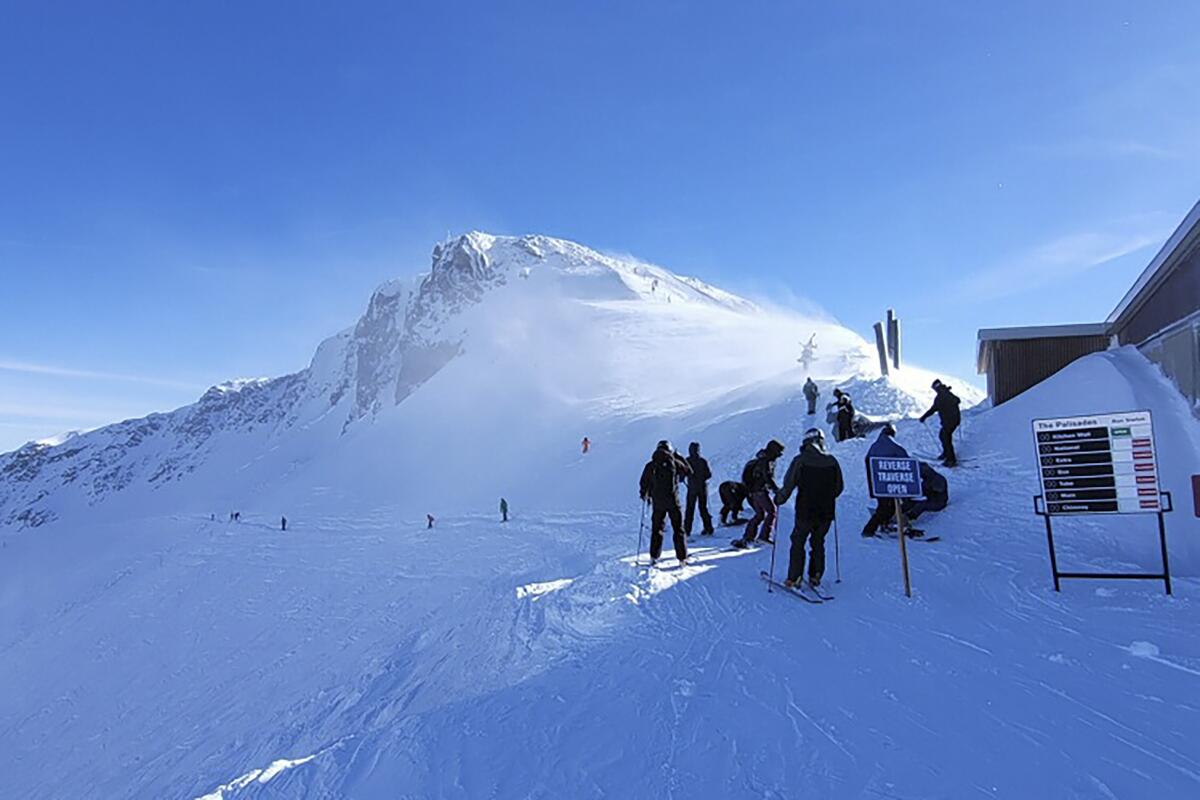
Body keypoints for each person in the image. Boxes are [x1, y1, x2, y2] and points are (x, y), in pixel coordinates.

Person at [776, 428, 843, 592]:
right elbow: (839, 487)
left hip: (805, 510)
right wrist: (826, 496)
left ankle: (794, 577)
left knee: (798, 541)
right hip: (826, 512)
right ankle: (816, 575)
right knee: (818, 542)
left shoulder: (800, 460)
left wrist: (779, 499)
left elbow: (789, 483)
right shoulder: (832, 461)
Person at [638, 440, 692, 565]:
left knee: (657, 529)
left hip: (658, 503)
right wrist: (679, 457)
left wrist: (644, 495)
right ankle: (682, 558)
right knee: (678, 529)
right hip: (673, 501)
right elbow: (689, 471)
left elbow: (643, 483)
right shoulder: (674, 462)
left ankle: (654, 557)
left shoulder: (651, 465)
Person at [732, 440, 785, 548]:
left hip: (753, 491)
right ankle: (764, 536)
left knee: (759, 514)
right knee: (772, 512)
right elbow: (767, 477)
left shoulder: (760, 459)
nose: (778, 456)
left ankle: (748, 537)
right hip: (761, 491)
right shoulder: (767, 461)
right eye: (778, 453)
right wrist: (775, 489)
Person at [861, 423, 910, 537]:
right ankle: (869, 529)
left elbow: (868, 461)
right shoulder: (894, 446)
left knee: (884, 505)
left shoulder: (874, 446)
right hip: (891, 483)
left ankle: (884, 524)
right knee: (887, 508)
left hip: (878, 483)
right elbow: (906, 463)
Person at [920, 379, 962, 467]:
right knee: (943, 436)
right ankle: (947, 454)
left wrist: (924, 417)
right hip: (954, 420)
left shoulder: (941, 397)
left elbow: (933, 409)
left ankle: (951, 459)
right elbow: (957, 400)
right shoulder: (947, 393)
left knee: (945, 438)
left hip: (949, 421)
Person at [683, 442, 715, 536]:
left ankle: (687, 531)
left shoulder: (687, 461)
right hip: (702, 488)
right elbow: (709, 474)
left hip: (692, 489)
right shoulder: (703, 461)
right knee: (703, 508)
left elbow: (682, 474)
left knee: (690, 510)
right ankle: (708, 528)